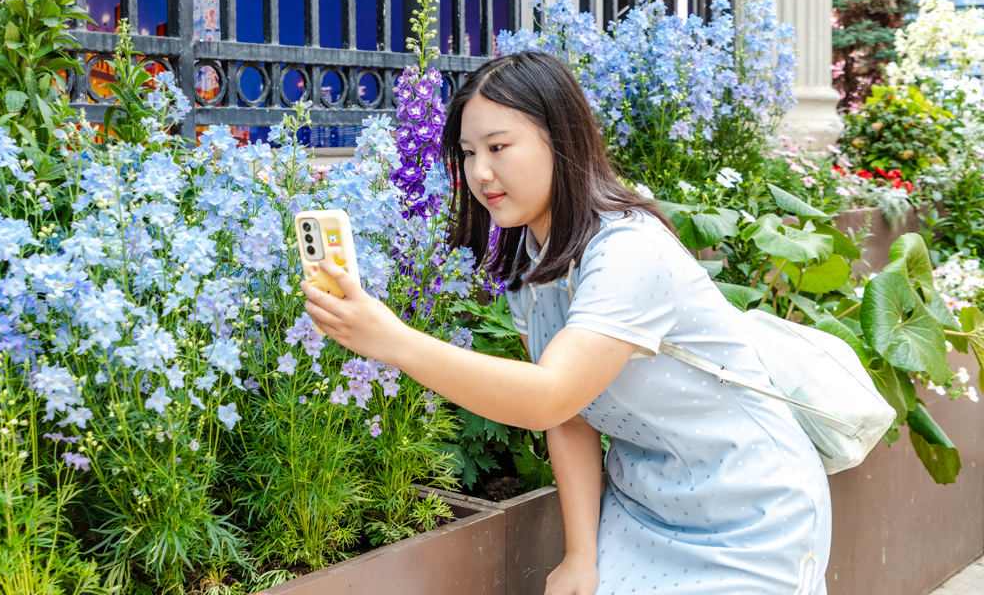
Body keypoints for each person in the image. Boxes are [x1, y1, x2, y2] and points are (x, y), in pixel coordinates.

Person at [301, 51, 831, 595]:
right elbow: (570, 417)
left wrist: (392, 341)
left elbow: (548, 397)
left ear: (561, 140)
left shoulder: (628, 249)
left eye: (498, 147)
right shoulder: (532, 261)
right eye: (468, 152)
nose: (479, 173)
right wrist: (581, 556)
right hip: (644, 510)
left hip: (752, 511)